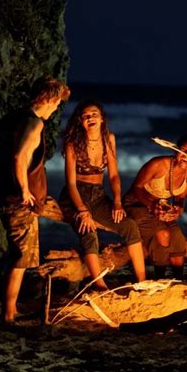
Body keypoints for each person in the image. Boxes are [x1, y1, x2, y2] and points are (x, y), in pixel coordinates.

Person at [0, 76, 71, 323]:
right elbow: (19, 156)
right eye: (57, 103)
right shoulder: (34, 123)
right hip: (21, 201)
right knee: (21, 258)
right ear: (49, 99)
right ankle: (9, 314)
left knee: (19, 255)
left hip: (9, 194)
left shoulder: (14, 117)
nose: (57, 108)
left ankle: (10, 310)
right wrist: (23, 188)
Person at [60, 100, 146, 289]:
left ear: (101, 118)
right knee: (88, 232)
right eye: (85, 116)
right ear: (80, 121)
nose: (90, 117)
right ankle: (100, 286)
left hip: (98, 195)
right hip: (75, 195)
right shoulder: (73, 143)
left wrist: (116, 201)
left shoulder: (109, 139)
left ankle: (142, 281)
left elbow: (114, 175)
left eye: (94, 114)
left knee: (129, 226)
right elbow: (71, 183)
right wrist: (82, 211)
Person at [123, 134, 187, 279]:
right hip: (136, 204)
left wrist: (177, 209)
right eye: (183, 149)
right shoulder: (158, 164)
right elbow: (137, 187)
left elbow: (180, 197)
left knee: (178, 237)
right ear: (175, 150)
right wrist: (151, 206)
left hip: (159, 207)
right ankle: (160, 278)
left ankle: (178, 280)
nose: (186, 155)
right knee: (163, 234)